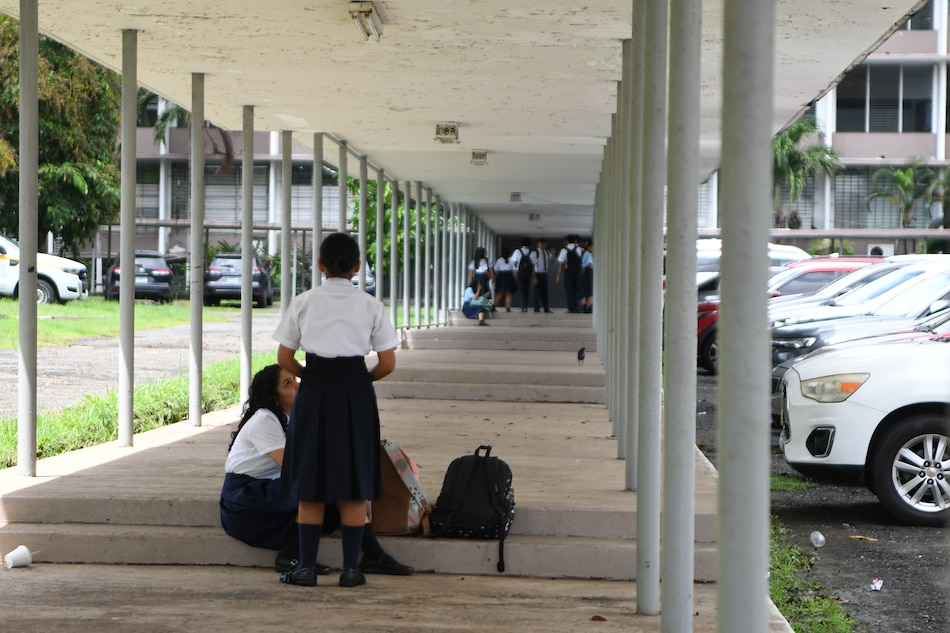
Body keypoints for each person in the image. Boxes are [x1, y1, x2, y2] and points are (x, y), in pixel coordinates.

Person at [273, 232, 401, 588]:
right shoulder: (370, 305)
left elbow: (284, 357)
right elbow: (387, 363)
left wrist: (310, 376)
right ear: (357, 267)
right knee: (354, 481)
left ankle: (306, 568)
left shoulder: (304, 301)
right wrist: (360, 381)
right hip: (355, 391)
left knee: (310, 481)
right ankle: (350, 570)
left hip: (315, 389)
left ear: (320, 265)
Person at [219, 364, 413, 582]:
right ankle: (299, 555)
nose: (297, 385)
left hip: (270, 493)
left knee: (340, 488)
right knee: (326, 484)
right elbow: (293, 467)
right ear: (274, 398)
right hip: (245, 501)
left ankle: (369, 555)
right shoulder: (265, 419)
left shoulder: (292, 418)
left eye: (295, 379)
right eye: (288, 383)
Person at [556, 234, 584, 313]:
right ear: (575, 241)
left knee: (569, 290)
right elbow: (582, 263)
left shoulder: (564, 250)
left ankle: (571, 308)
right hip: (577, 272)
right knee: (577, 289)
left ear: (567, 241)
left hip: (568, 272)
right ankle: (578, 306)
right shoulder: (579, 249)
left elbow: (561, 264)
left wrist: (558, 275)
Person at [511, 236, 536, 313]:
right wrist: (533, 276)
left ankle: (523, 307)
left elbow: (514, 262)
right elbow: (533, 265)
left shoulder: (517, 251)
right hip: (528, 274)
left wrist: (515, 271)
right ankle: (526, 305)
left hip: (520, 273)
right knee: (526, 290)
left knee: (521, 290)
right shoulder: (533, 253)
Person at [492, 247, 516, 312]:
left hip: (501, 277)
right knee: (508, 293)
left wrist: (497, 278)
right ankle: (508, 308)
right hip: (509, 277)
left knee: (500, 292)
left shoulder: (499, 260)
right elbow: (514, 271)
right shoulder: (511, 260)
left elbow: (496, 271)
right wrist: (515, 278)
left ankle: (493, 306)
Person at [532, 238, 553, 313]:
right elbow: (532, 265)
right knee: (537, 292)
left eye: (543, 244)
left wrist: (553, 254)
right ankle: (537, 308)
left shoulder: (547, 252)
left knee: (545, 292)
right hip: (538, 273)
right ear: (538, 244)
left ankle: (546, 308)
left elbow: (552, 260)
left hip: (545, 273)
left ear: (545, 244)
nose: (542, 245)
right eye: (540, 244)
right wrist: (534, 276)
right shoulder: (535, 253)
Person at [579, 240, 594, 314]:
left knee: (586, 292)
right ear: (589, 247)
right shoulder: (588, 254)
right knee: (589, 292)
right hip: (588, 273)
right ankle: (588, 306)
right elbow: (590, 265)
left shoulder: (586, 254)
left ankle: (585, 306)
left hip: (585, 274)